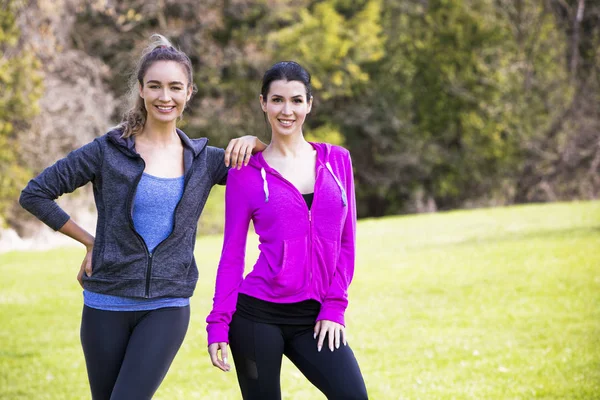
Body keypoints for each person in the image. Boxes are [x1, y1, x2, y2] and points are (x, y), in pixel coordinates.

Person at [19, 34, 267, 400]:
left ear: (189, 93)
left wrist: (256, 142)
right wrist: (91, 241)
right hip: (105, 303)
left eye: (174, 87)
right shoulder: (108, 151)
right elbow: (35, 193)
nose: (165, 97)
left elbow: (272, 168)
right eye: (155, 86)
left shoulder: (207, 161)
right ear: (141, 90)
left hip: (166, 305)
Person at [206, 61, 368, 400]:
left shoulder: (337, 161)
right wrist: (218, 322)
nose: (287, 110)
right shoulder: (245, 173)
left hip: (315, 314)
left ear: (309, 104)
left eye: (296, 100)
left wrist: (335, 307)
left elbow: (347, 242)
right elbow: (232, 253)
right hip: (255, 317)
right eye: (277, 100)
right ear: (263, 103)